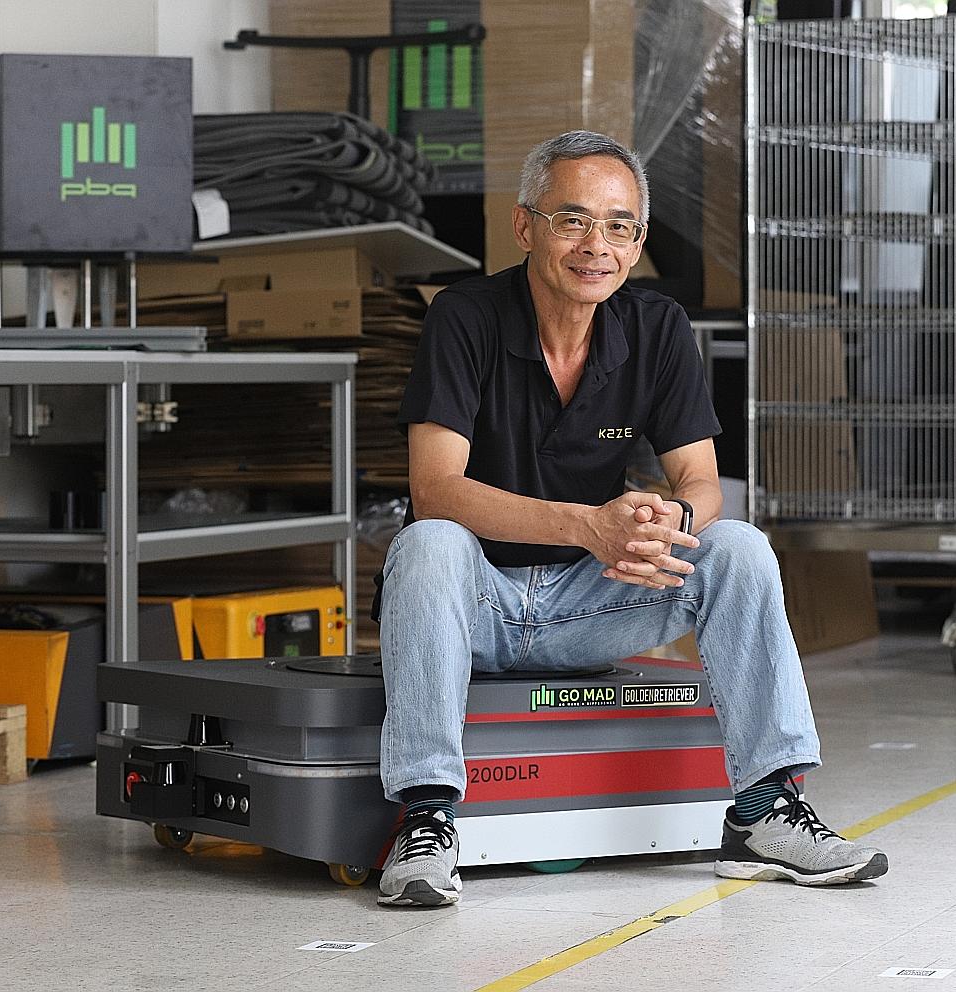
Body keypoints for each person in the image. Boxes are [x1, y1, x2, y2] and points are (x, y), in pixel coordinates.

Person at [371, 130, 886, 907]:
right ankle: (427, 820)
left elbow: (702, 481)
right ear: (526, 226)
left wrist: (663, 519)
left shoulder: (656, 326)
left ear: (638, 241)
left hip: (592, 604)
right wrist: (587, 525)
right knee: (429, 542)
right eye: (572, 219)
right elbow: (435, 488)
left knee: (737, 545)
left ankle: (763, 811)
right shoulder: (463, 317)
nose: (596, 245)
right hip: (474, 604)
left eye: (619, 226)